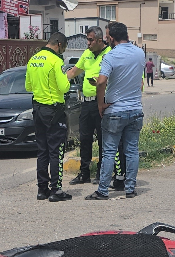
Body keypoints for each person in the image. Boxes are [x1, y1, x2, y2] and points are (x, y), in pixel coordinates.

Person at [87, 22, 145, 200]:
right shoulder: (140, 53)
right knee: (132, 150)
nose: (106, 39)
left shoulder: (111, 56)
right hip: (135, 109)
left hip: (115, 111)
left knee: (109, 151)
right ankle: (130, 189)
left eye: (107, 36)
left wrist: (100, 104)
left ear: (111, 37)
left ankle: (103, 190)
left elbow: (101, 81)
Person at [25, 32, 72, 202]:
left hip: (37, 110)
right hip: (53, 111)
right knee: (56, 151)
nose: (63, 51)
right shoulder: (56, 61)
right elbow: (64, 87)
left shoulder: (33, 59)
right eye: (64, 47)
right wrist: (67, 78)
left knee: (42, 151)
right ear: (59, 44)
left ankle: (41, 189)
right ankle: (56, 190)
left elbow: (28, 85)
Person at [66, 27, 111, 186]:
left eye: (91, 40)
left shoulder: (109, 53)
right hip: (86, 103)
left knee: (103, 139)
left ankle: (101, 171)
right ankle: (84, 172)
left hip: (102, 102)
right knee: (85, 138)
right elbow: (72, 73)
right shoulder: (86, 54)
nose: (88, 43)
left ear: (100, 40)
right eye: (88, 39)